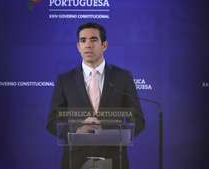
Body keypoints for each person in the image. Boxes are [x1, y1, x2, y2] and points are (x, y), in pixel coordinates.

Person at [46, 22, 145, 169]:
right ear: (78, 47)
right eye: (83, 40)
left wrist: (109, 131)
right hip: (76, 160)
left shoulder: (123, 77)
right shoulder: (65, 80)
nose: (88, 45)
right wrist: (77, 130)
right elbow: (52, 121)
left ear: (104, 45)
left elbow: (137, 119)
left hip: (113, 158)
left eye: (93, 40)